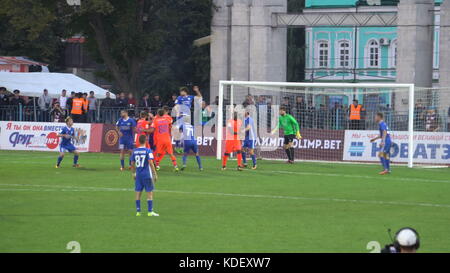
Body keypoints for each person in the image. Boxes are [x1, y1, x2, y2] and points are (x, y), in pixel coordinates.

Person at [130, 134, 159, 217]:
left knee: (138, 193)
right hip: (147, 175)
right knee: (149, 193)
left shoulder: (134, 151)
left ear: (138, 141)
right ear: (146, 141)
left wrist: (133, 173)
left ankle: (138, 212)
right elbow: (150, 163)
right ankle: (150, 212)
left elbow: (132, 163)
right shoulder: (148, 151)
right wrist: (154, 174)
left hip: (138, 175)